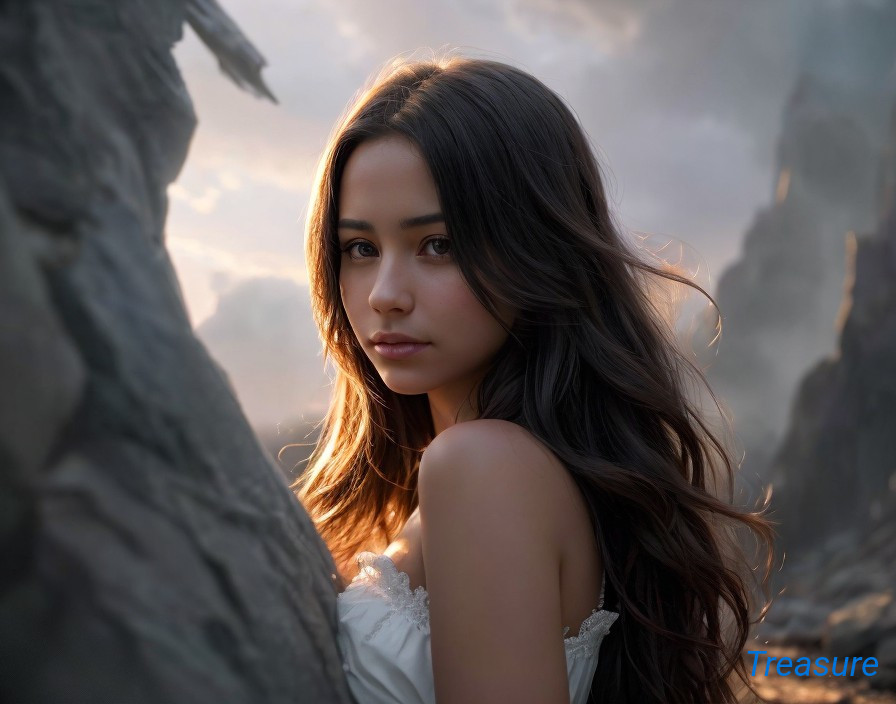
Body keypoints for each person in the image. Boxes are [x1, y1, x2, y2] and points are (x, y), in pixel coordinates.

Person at [291, 51, 776, 704]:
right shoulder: (515, 469)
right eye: (360, 248)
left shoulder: (481, 465)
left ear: (537, 248)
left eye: (438, 244)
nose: (384, 294)